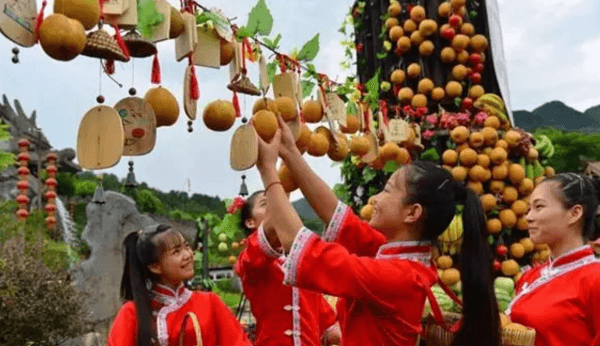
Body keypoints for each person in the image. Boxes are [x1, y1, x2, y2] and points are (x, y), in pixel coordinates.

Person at [252, 116, 500, 346]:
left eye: (388, 190)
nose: (376, 199)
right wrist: (290, 152)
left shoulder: (398, 277)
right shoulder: (395, 253)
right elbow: (338, 217)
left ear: (411, 213)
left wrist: (268, 171)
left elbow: (308, 252)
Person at [107, 224, 252, 346]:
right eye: (176, 252)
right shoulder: (132, 313)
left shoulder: (209, 303)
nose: (188, 255)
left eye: (187, 247)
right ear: (155, 266)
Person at [235, 190, 341, 346]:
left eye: (278, 204)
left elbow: (329, 327)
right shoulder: (250, 260)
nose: (275, 208)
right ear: (250, 222)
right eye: (266, 204)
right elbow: (259, 250)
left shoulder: (303, 263)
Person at [507, 173, 600, 346]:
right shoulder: (531, 276)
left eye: (539, 207)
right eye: (529, 209)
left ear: (574, 213)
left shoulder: (595, 279)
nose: (529, 217)